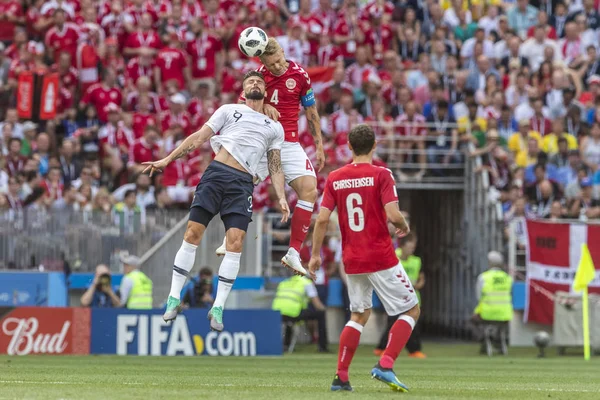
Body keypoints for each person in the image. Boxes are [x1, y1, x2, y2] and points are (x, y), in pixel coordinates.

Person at [143, 71, 290, 331]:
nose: (255, 84)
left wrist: (281, 197)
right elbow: (199, 137)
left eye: (259, 82)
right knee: (192, 232)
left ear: (266, 91)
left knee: (236, 243)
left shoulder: (274, 127)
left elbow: (275, 165)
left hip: (242, 183)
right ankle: (174, 297)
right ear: (243, 92)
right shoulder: (229, 110)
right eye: (250, 82)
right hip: (217, 174)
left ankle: (218, 307)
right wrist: (167, 159)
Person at [308, 124, 418, 393]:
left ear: (349, 146)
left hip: (352, 258)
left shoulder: (335, 177)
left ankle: (341, 377)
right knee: (411, 309)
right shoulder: (382, 174)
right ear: (375, 145)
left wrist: (314, 255)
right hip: (380, 255)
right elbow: (393, 214)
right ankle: (386, 363)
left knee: (359, 314)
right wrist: (403, 225)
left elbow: (322, 219)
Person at [216, 37, 325, 277]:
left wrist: (319, 145)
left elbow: (311, 111)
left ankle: (293, 253)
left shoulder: (300, 75)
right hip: (262, 140)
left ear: (283, 53)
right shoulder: (258, 76)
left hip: (288, 142)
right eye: (270, 64)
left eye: (277, 62)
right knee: (238, 185)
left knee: (310, 189)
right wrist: (262, 106)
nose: (275, 67)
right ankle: (228, 236)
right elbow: (241, 106)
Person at [375, 233, 426, 358]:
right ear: (402, 246)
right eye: (410, 247)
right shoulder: (392, 256)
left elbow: (421, 277)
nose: (412, 250)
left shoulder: (416, 261)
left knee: (413, 324)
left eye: (413, 248)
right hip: (394, 297)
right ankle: (382, 348)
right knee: (392, 323)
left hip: (412, 297)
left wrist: (418, 285)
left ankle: (414, 350)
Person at [271, 272, 329, 353]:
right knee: (320, 314)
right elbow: (317, 305)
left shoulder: (285, 282)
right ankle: (323, 347)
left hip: (277, 314)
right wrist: (325, 309)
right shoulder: (307, 283)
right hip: (293, 313)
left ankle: (286, 345)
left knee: (289, 320)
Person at [472, 251, 513, 353]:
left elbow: (479, 297)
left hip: (487, 314)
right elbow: (511, 295)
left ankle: (486, 339)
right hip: (505, 315)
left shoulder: (483, 277)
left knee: (471, 321)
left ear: (489, 263)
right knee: (500, 326)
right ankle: (497, 340)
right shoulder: (508, 278)